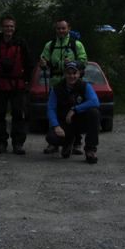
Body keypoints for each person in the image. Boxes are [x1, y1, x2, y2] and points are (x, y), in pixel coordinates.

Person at [39, 18, 88, 154]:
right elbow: (44, 59)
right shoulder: (50, 45)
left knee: (74, 111)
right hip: (56, 84)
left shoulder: (76, 44)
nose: (61, 31)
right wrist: (43, 63)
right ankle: (54, 143)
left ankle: (77, 143)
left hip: (72, 83)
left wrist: (73, 63)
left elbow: (84, 61)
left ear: (69, 29)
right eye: (58, 28)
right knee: (54, 111)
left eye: (63, 28)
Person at [0, 15, 33, 155]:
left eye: (11, 26)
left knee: (18, 114)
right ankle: (1, 143)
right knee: (0, 115)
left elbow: (29, 62)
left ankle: (18, 143)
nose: (9, 28)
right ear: (2, 27)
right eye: (6, 26)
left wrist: (27, 81)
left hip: (17, 84)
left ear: (15, 27)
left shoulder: (21, 43)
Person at [46, 60, 99, 164]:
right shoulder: (56, 89)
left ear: (79, 74)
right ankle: (67, 143)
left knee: (94, 112)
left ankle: (90, 150)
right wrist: (56, 126)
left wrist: (75, 109)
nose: (72, 76)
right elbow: (50, 109)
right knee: (51, 137)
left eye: (74, 73)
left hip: (81, 121)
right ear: (65, 74)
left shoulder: (85, 86)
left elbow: (95, 102)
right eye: (69, 73)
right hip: (65, 123)